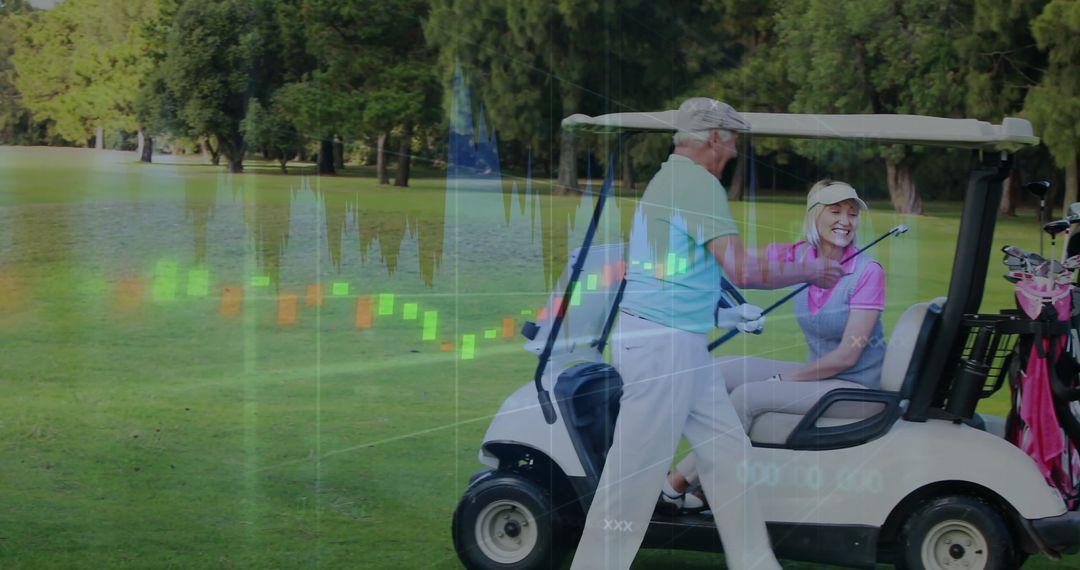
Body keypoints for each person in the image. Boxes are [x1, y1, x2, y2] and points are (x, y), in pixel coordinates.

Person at [569, 98, 844, 570]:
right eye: (732, 138)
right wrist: (810, 269)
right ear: (713, 138)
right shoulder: (696, 185)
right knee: (632, 477)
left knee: (729, 455)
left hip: (679, 344)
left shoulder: (671, 180)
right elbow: (741, 267)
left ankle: (756, 564)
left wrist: (722, 315)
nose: (736, 149)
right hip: (663, 349)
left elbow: (684, 271)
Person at [662, 179, 887, 508]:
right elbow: (742, 263)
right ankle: (701, 480)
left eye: (852, 214)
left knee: (749, 395)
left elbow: (847, 355)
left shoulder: (868, 272)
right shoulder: (801, 255)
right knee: (720, 369)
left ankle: (675, 484)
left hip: (855, 388)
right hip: (822, 377)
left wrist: (785, 379)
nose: (845, 220)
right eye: (835, 211)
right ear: (814, 215)